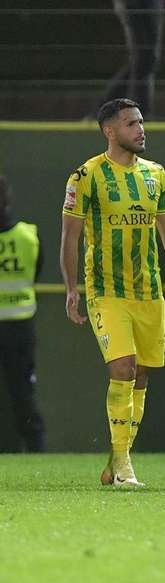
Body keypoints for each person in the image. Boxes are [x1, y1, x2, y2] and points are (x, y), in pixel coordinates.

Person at [60, 97, 165, 488]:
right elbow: (70, 236)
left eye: (141, 122)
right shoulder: (86, 176)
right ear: (110, 131)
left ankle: (115, 459)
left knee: (141, 376)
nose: (141, 129)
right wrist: (71, 288)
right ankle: (125, 464)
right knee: (123, 368)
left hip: (149, 292)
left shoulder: (156, 175)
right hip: (106, 290)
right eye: (131, 124)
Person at [0, 175, 46, 452]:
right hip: (20, 326)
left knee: (23, 393)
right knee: (23, 393)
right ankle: (36, 449)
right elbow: (35, 273)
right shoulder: (28, 235)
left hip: (18, 327)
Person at [101, 1, 165, 117]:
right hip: (138, 4)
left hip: (148, 5)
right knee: (145, 60)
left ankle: (107, 108)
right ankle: (141, 113)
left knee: (145, 60)